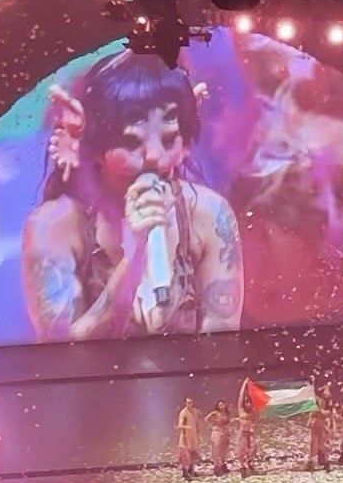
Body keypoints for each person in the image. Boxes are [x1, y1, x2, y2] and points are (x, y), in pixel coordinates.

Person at [21, 51, 244, 342]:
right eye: (131, 141)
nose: (153, 155)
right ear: (94, 147)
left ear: (186, 143)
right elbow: (62, 354)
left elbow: (222, 345)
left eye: (168, 138)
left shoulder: (209, 214)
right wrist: (135, 255)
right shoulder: (53, 226)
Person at [236, 378, 257, 478]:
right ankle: (242, 466)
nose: (248, 404)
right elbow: (240, 397)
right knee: (241, 450)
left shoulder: (253, 411)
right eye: (246, 402)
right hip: (243, 433)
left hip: (250, 432)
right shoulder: (241, 410)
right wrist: (244, 385)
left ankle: (250, 463)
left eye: (249, 402)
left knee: (253, 448)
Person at [204, 399, 232, 476]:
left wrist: (229, 432)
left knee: (224, 449)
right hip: (217, 432)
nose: (222, 406)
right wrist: (213, 424)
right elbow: (206, 419)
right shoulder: (215, 413)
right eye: (220, 405)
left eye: (223, 405)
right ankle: (216, 467)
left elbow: (228, 423)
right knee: (216, 449)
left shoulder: (227, 413)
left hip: (225, 432)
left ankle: (223, 465)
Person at [307, 394, 333, 472]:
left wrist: (320, 413)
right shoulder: (314, 411)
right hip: (315, 431)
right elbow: (309, 422)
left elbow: (328, 416)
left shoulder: (327, 411)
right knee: (313, 446)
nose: (322, 403)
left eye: (323, 401)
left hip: (323, 431)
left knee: (324, 446)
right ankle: (311, 463)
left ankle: (325, 462)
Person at [177, 396, 200, 480]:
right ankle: (185, 471)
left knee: (193, 453)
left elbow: (196, 423)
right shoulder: (183, 413)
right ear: (185, 403)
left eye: (191, 402)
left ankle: (191, 470)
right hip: (185, 436)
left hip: (193, 436)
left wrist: (198, 433)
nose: (190, 404)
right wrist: (187, 427)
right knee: (186, 455)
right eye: (188, 402)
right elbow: (179, 425)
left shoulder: (194, 411)